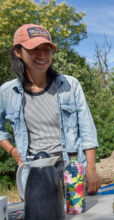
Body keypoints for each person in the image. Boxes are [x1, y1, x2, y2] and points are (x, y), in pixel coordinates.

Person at [0, 24, 101, 195]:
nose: (42, 55)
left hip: (71, 168)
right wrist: (13, 151)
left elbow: (87, 130)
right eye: (34, 49)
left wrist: (91, 169)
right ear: (18, 52)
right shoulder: (7, 92)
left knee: (79, 218)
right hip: (35, 171)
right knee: (41, 219)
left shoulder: (70, 85)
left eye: (46, 49)